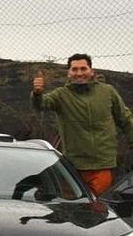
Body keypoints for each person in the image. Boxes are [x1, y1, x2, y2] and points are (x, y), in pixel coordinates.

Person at [33, 54, 133, 195]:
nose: (79, 73)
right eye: (74, 69)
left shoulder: (108, 92)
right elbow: (42, 104)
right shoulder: (61, 95)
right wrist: (37, 93)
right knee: (73, 210)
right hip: (73, 168)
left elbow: (125, 119)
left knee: (98, 208)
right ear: (69, 73)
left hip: (103, 166)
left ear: (91, 71)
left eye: (83, 68)